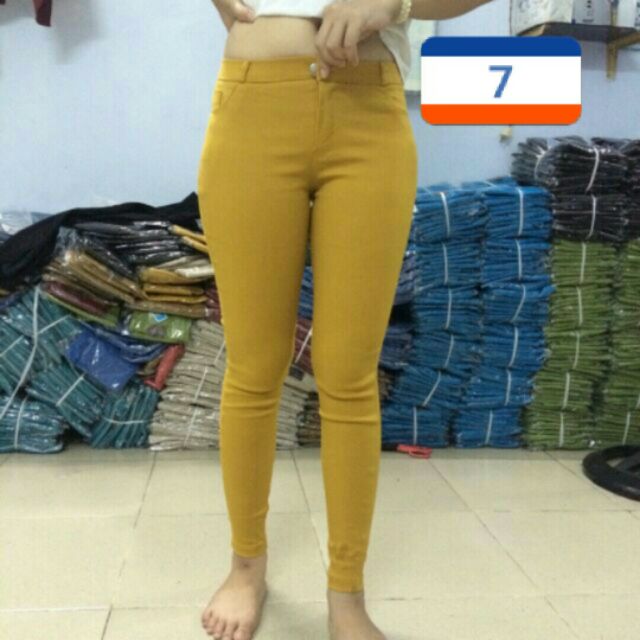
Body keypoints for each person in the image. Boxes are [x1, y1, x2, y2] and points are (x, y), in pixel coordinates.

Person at [197, 1, 492, 638]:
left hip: (368, 112)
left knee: (349, 373)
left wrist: (396, 2)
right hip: (252, 105)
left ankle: (347, 593)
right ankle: (246, 566)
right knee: (253, 365)